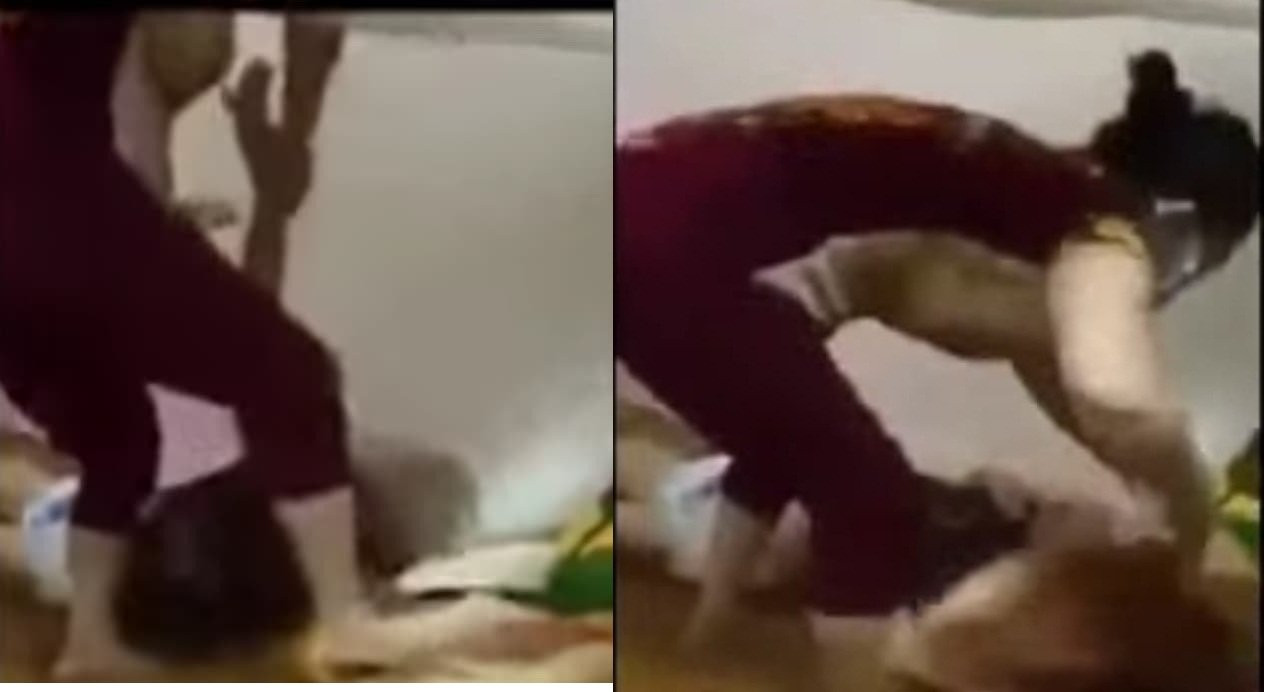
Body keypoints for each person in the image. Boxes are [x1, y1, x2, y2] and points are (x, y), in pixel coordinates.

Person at [616, 49, 1257, 685]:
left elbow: (1073, 390)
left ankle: (706, 639)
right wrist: (1193, 506)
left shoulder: (1025, 192)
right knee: (870, 497)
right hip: (671, 244)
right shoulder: (1106, 231)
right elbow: (1119, 401)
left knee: (787, 441)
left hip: (640, 200)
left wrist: (1166, 520)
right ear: (1192, 228)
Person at [0, 13, 376, 679]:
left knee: (117, 436)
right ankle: (345, 621)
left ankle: (90, 646)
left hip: (44, 212)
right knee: (295, 376)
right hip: (49, 205)